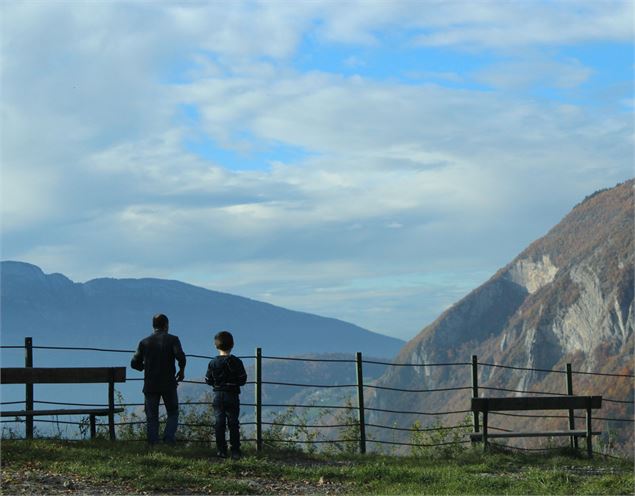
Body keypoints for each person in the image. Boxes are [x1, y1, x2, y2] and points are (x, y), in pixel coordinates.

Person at [131, 313, 186, 445]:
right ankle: (168, 438)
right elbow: (181, 357)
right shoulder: (173, 340)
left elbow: (134, 363)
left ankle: (153, 443)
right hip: (168, 383)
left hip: (150, 384)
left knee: (151, 416)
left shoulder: (144, 342)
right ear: (166, 325)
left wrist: (145, 367)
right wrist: (181, 370)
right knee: (172, 412)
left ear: (153, 326)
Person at [205, 331, 247, 460]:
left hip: (218, 395)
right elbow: (243, 380)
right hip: (233, 395)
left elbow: (208, 380)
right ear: (232, 345)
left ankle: (221, 450)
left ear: (216, 346)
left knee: (219, 423)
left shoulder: (213, 363)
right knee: (233, 423)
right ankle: (235, 450)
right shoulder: (237, 362)